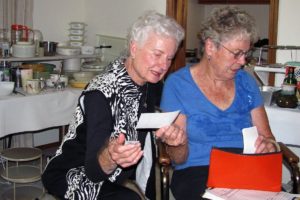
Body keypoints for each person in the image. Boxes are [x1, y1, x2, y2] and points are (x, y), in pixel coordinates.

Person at [42, 10, 187, 200]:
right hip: (75, 172)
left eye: (169, 58)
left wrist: (179, 142)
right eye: (157, 54)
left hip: (118, 175)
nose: (163, 65)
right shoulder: (101, 93)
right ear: (134, 49)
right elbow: (94, 172)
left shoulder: (155, 87)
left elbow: (179, 158)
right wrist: (111, 156)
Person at [160, 6, 278, 200]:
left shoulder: (246, 82)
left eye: (245, 54)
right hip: (198, 170)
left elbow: (268, 138)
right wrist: (177, 143)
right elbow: (178, 158)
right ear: (210, 47)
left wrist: (269, 145)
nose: (242, 62)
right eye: (236, 53)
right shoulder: (178, 85)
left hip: (248, 168)